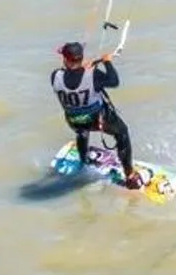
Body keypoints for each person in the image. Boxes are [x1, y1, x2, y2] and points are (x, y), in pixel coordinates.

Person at [51, 41, 142, 189]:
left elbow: (73, 79)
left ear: (65, 59)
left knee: (82, 132)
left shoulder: (55, 76)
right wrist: (107, 62)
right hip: (97, 120)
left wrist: (85, 68)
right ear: (81, 58)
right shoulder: (94, 75)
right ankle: (130, 176)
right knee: (122, 132)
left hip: (74, 121)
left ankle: (84, 160)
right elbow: (114, 81)